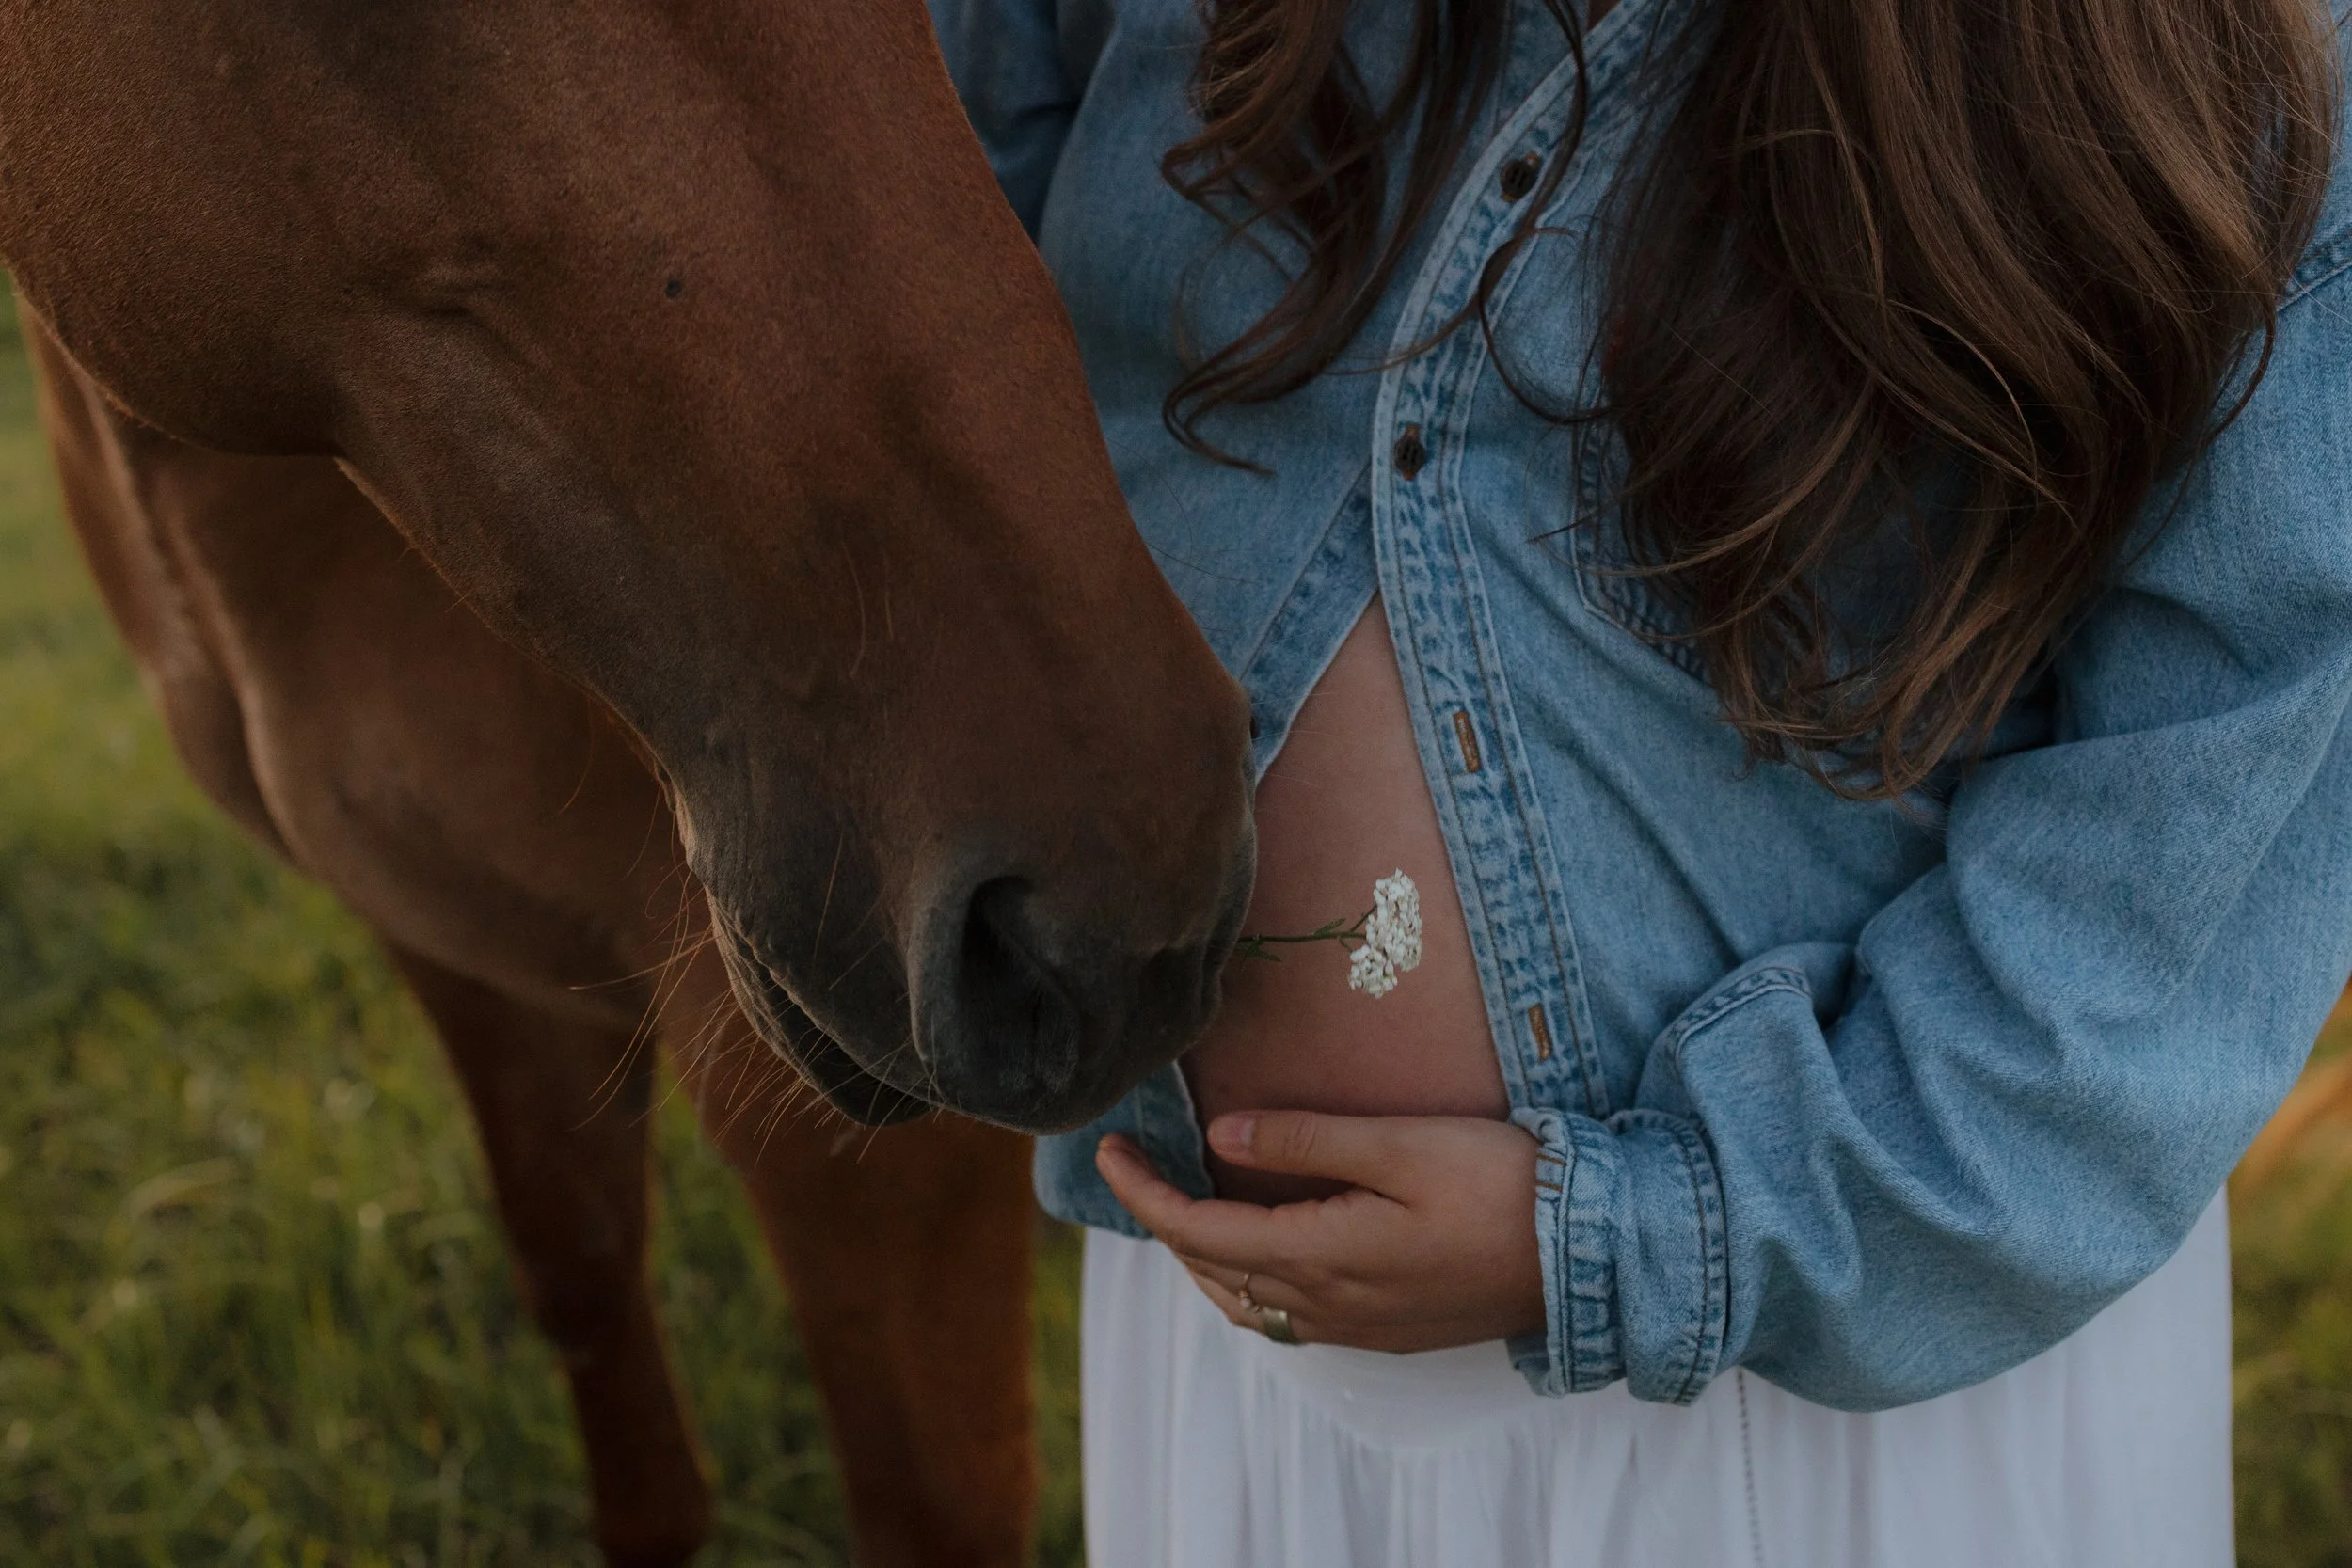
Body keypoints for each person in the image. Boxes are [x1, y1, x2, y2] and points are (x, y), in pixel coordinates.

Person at [930, 0, 2352, 1560]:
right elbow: (932, 229)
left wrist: (1644, 1235)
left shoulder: (2211, 60)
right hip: (1235, 1358)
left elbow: (2180, 862)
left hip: (1817, 1402)